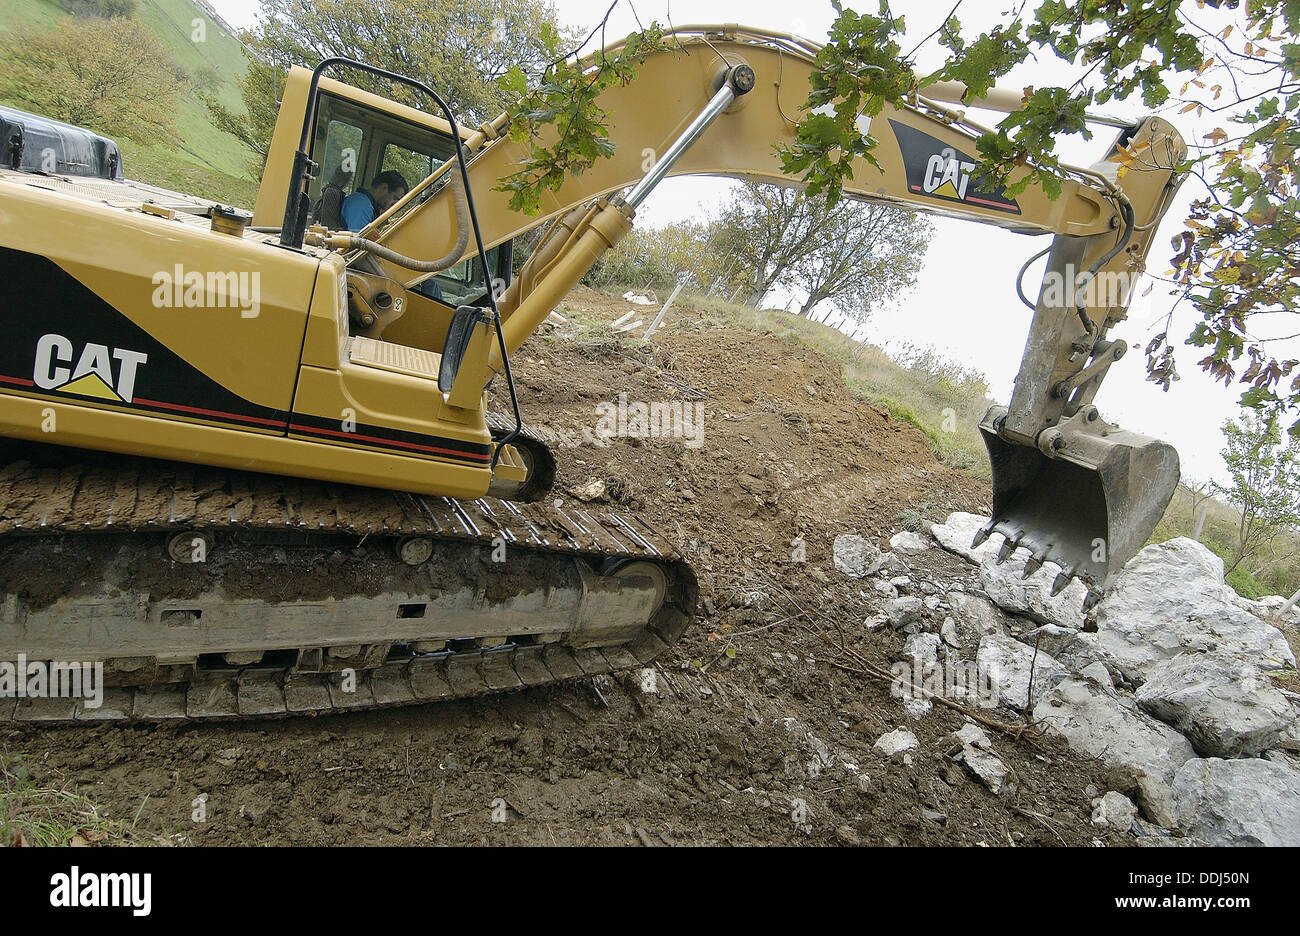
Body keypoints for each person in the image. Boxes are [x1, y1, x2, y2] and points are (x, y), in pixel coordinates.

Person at [340, 170, 409, 231]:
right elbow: (358, 242)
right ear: (383, 188)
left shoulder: (370, 206)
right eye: (395, 198)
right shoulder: (361, 205)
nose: (395, 205)